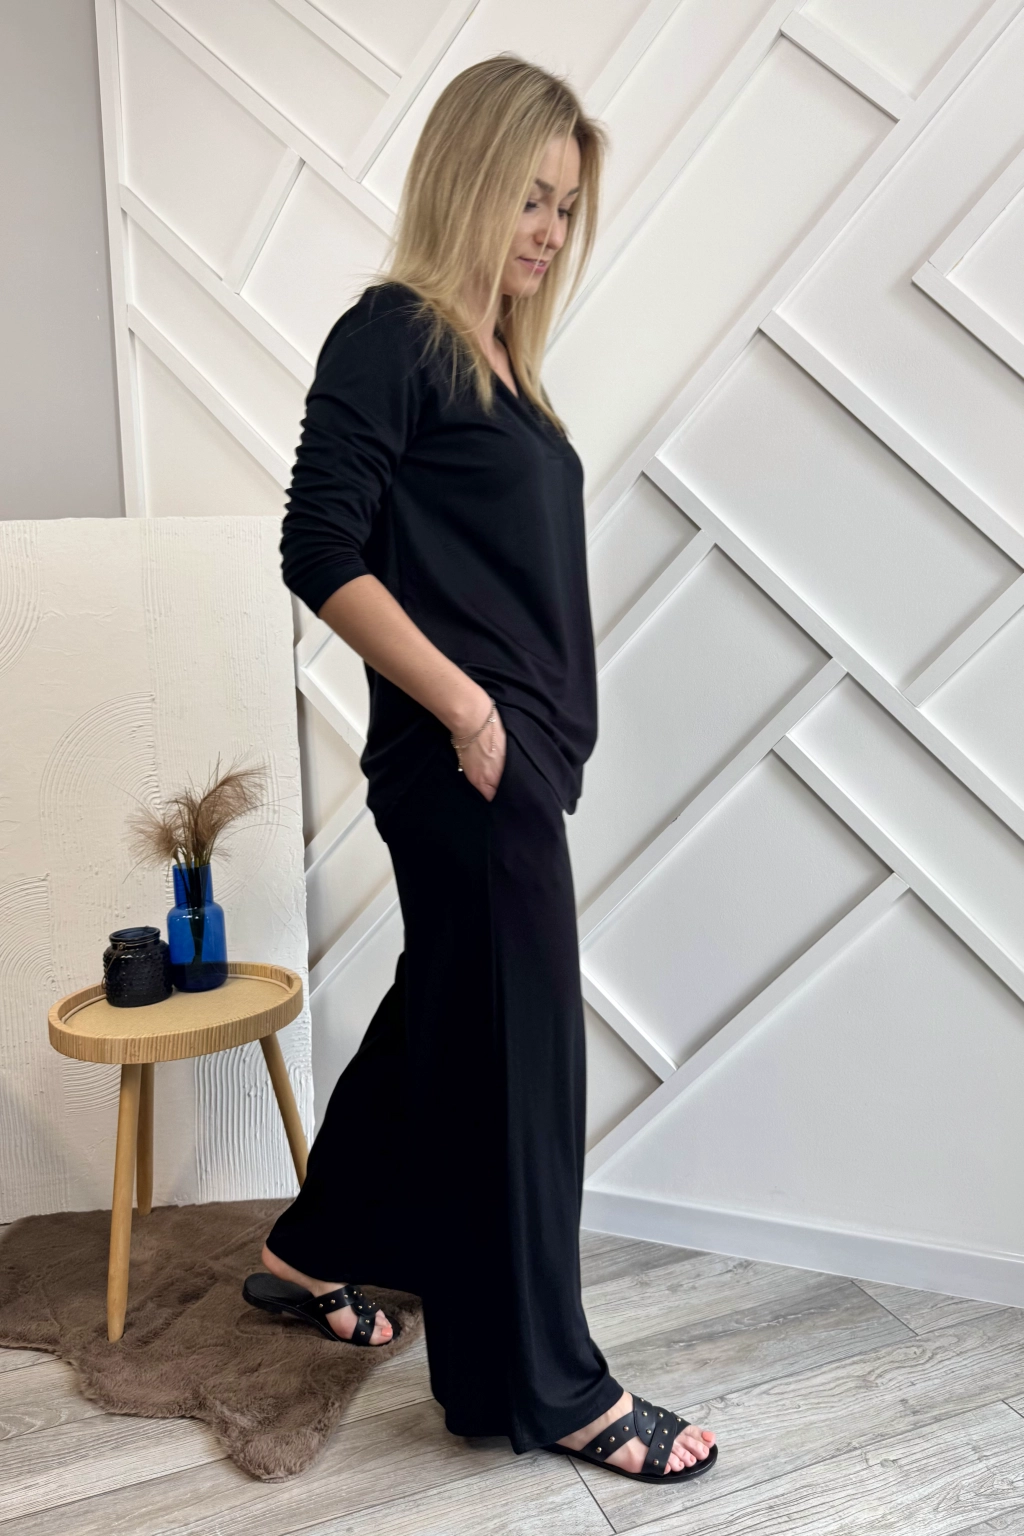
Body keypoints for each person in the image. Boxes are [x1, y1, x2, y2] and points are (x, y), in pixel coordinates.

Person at [242, 53, 718, 1484]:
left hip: (513, 762)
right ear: (466, 177)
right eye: (529, 197)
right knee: (525, 1064)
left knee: (446, 1013)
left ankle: (307, 1249)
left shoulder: (502, 357)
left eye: (567, 207)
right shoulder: (393, 334)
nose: (550, 231)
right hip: (463, 764)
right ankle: (550, 1387)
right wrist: (464, 711)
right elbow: (317, 546)